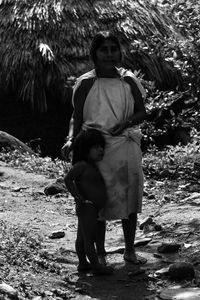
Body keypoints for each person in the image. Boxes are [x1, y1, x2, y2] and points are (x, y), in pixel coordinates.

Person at [62, 30, 146, 265]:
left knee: (129, 200)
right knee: (97, 201)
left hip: (125, 147)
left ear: (119, 52)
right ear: (95, 54)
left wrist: (127, 122)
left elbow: (142, 111)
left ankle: (129, 250)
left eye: (113, 49)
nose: (109, 54)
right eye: (104, 50)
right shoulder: (86, 82)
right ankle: (99, 253)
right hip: (94, 150)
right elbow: (76, 116)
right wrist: (71, 139)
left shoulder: (128, 80)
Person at [64, 129, 114, 275]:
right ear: (85, 149)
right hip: (87, 206)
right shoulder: (81, 166)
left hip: (93, 207)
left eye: (102, 147)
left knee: (82, 237)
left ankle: (83, 263)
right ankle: (96, 266)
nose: (101, 150)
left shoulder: (93, 165)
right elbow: (68, 179)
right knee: (89, 238)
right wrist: (77, 196)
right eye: (96, 147)